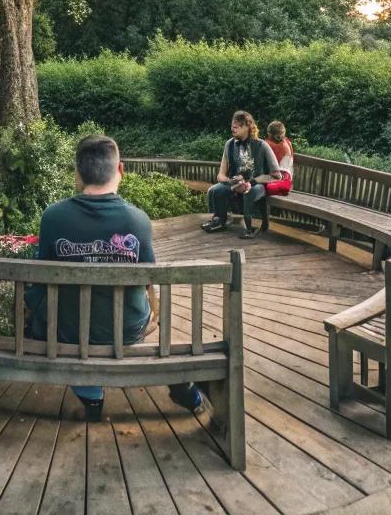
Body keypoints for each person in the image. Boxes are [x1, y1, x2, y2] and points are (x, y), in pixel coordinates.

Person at [26, 134, 205, 423]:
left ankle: (92, 396)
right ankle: (182, 386)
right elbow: (149, 280)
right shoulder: (137, 220)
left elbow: (39, 279)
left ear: (77, 173)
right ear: (120, 170)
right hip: (127, 330)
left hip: (69, 331)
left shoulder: (53, 218)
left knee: (43, 317)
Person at [202, 110, 281, 238]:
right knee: (215, 189)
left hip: (257, 184)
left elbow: (276, 175)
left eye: (236, 126)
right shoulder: (229, 144)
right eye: (232, 126)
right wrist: (232, 182)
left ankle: (249, 228)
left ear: (247, 127)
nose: (232, 129)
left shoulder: (262, 145)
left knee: (249, 191)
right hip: (235, 184)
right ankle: (220, 221)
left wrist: (251, 182)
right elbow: (220, 176)